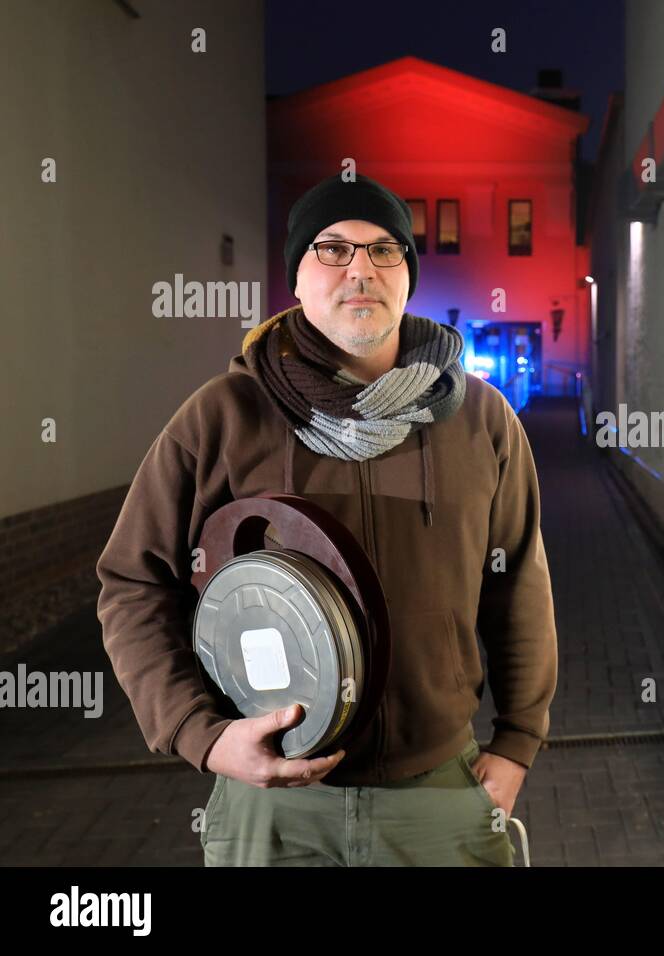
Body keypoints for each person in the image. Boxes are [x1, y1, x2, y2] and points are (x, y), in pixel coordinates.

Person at [95, 173, 559, 866]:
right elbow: (133, 582)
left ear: (408, 274)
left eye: (384, 251)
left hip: (437, 796)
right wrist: (201, 733)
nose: (360, 270)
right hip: (274, 804)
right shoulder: (225, 415)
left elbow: (517, 583)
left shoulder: (481, 420)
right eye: (333, 249)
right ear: (298, 276)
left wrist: (518, 742)